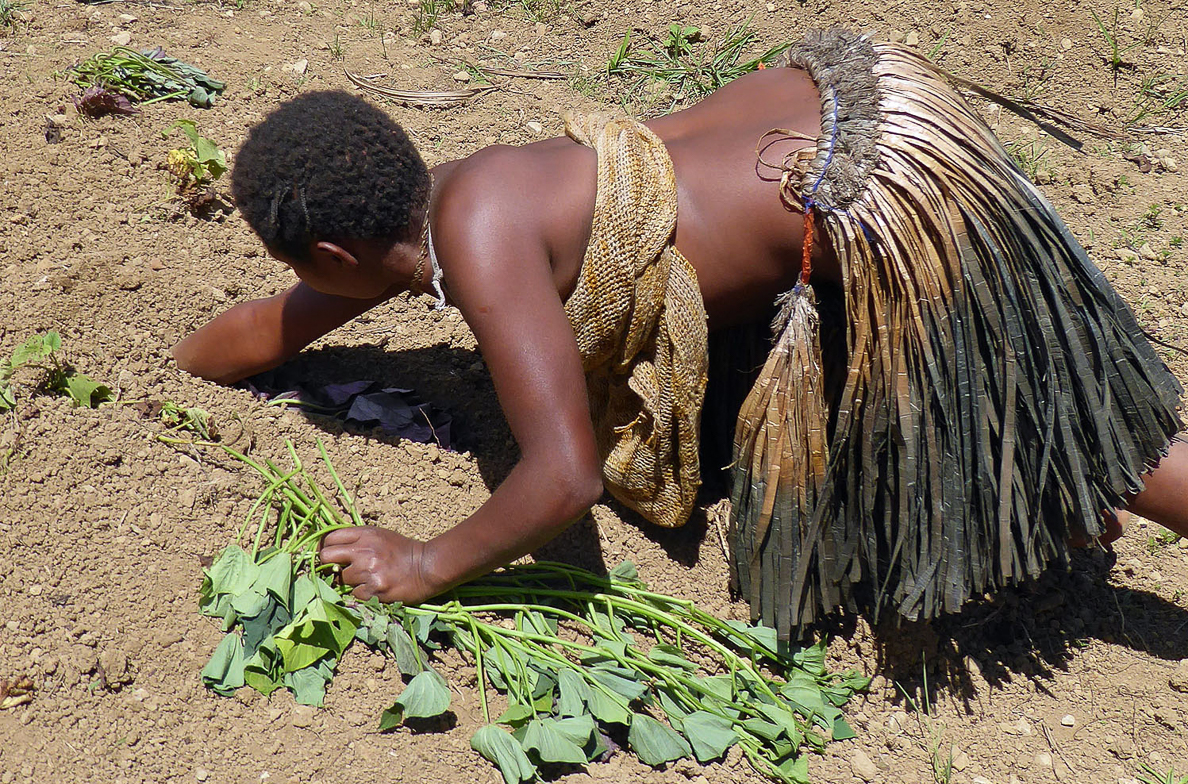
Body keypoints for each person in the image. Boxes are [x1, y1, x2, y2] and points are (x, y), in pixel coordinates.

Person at [173, 29, 1186, 638]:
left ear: (337, 254)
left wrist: (424, 562)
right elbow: (269, 328)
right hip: (846, 97)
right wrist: (165, 368)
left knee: (1080, 443)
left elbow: (561, 474)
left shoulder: (481, 244)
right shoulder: (450, 199)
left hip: (879, 195)